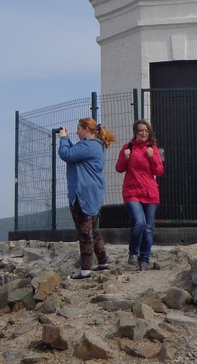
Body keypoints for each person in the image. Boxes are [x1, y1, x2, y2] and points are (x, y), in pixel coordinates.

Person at [58, 117, 117, 280]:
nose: (77, 131)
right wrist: (67, 140)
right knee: (93, 229)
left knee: (85, 233)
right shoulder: (95, 146)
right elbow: (75, 154)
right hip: (93, 194)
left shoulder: (88, 145)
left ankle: (85, 270)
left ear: (86, 129)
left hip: (83, 194)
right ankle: (103, 262)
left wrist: (63, 138)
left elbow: (66, 154)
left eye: (78, 128)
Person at [116, 118, 164, 271]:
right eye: (140, 130)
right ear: (135, 132)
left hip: (150, 192)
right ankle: (133, 252)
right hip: (132, 192)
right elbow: (119, 168)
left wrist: (152, 157)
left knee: (148, 229)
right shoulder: (127, 147)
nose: (143, 133)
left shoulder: (153, 149)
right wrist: (126, 157)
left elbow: (159, 171)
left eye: (146, 130)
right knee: (139, 222)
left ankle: (144, 260)